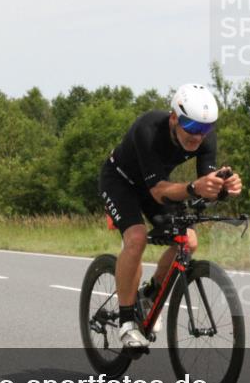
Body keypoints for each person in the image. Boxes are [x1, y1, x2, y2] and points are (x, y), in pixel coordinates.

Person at [99, 84, 242, 350]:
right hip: (120, 181)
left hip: (156, 187)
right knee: (137, 238)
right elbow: (158, 191)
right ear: (174, 117)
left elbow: (204, 188)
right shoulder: (148, 129)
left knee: (188, 241)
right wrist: (192, 187)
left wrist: (221, 188)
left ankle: (149, 296)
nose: (197, 136)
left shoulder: (204, 138)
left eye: (205, 128)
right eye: (191, 125)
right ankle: (127, 322)